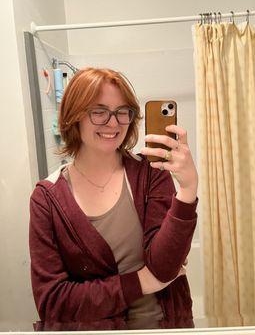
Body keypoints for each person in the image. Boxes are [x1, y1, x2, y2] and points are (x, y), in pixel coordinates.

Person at [29, 67, 198, 331]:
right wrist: (139, 282)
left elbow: (165, 268)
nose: (113, 123)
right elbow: (53, 303)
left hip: (163, 326)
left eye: (122, 112)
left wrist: (188, 190)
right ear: (74, 117)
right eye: (98, 111)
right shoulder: (47, 199)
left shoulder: (151, 174)